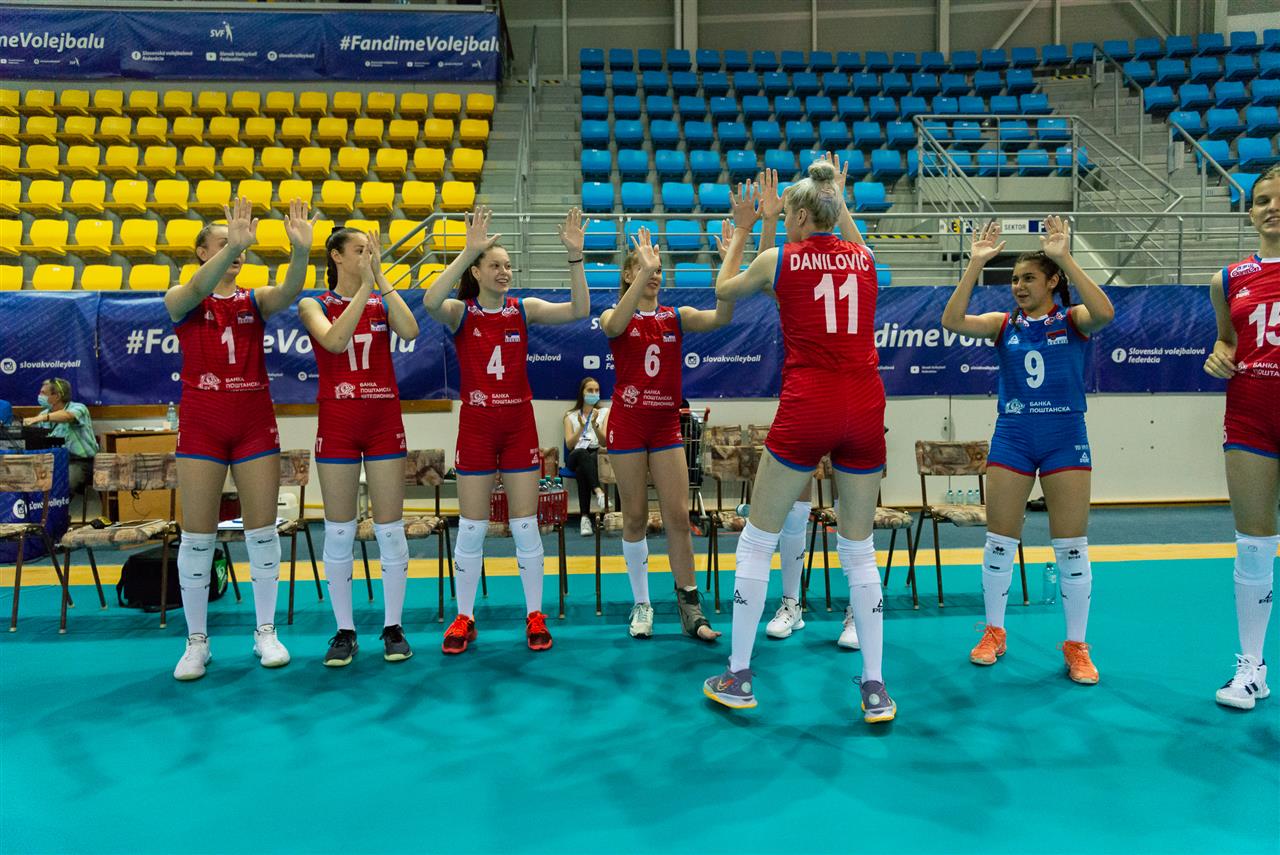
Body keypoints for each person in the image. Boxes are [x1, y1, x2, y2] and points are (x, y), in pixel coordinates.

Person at [701, 156, 896, 723]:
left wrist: (743, 228)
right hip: (865, 406)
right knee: (859, 550)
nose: (784, 220)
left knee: (757, 540)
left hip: (810, 404)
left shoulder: (780, 258)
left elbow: (724, 287)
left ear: (805, 217)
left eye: (788, 213)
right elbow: (841, 239)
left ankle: (738, 675)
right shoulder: (864, 257)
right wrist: (835, 192)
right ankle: (875, 688)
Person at [940, 217, 1115, 685]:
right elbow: (951, 321)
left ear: (1052, 282)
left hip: (1064, 436)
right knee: (999, 541)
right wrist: (975, 265)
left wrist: (1065, 257)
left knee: (1071, 547)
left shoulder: (1072, 320)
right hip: (1014, 436)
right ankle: (994, 632)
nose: (1018, 286)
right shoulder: (1003, 325)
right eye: (1014, 279)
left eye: (1028, 278)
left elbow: (1105, 313)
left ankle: (1076, 645)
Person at [424, 205, 589, 653]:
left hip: (518, 426)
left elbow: (580, 309)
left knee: (525, 525)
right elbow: (430, 302)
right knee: (472, 527)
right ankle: (464, 617)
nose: (504, 272)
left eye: (508, 266)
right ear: (477, 272)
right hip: (477, 427)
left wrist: (575, 257)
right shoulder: (461, 313)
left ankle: (534, 615)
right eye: (495, 265)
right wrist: (466, 252)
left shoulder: (523, 309)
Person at [165, 196, 316, 681]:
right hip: (202, 425)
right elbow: (196, 288)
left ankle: (265, 632)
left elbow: (290, 290)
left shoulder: (254, 300)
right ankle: (197, 642)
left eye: (240, 246)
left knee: (262, 531)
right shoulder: (181, 298)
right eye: (223, 243)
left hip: (253, 425)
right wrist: (232, 247)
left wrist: (300, 251)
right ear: (202, 253)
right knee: (197, 536)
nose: (237, 251)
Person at [602, 225, 733, 642]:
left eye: (658, 270)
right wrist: (643, 269)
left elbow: (722, 316)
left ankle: (690, 607)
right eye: (645, 268)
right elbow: (614, 327)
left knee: (677, 516)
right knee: (635, 517)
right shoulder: (615, 316)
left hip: (664, 426)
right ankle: (642, 604)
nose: (654, 274)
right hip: (627, 424)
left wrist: (728, 264)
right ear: (629, 274)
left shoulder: (676, 317)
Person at [299, 227, 420, 667]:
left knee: (390, 528)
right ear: (336, 256)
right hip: (338, 422)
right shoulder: (314, 304)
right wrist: (365, 288)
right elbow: (334, 341)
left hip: (383, 421)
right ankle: (345, 631)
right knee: (339, 530)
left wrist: (380, 279)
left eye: (370, 250)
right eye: (359, 250)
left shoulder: (380, 299)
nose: (368, 254)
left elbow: (410, 330)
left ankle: (393, 626)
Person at [1204, 163, 1280, 710]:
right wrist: (1219, 356)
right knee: (1254, 544)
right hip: (1251, 415)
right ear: (1250, 212)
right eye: (1263, 200)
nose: (1273, 208)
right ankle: (1252, 668)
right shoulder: (1228, 278)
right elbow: (1227, 341)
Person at [23, 378, 99, 492]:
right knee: (29, 479)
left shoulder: (79, 408)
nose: (39, 396)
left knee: (64, 484)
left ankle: (59, 503)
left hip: (81, 462)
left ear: (57, 396)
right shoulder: (44, 414)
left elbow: (68, 416)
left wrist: (40, 418)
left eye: (43, 393)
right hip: (54, 462)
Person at [563, 376, 608, 537]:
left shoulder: (604, 413)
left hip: (596, 454)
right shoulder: (570, 416)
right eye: (590, 390)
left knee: (583, 469)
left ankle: (584, 519)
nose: (594, 393)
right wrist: (581, 428)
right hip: (575, 455)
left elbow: (604, 442)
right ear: (582, 392)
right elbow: (569, 445)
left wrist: (595, 425)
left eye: (597, 390)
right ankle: (599, 492)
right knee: (582, 454)